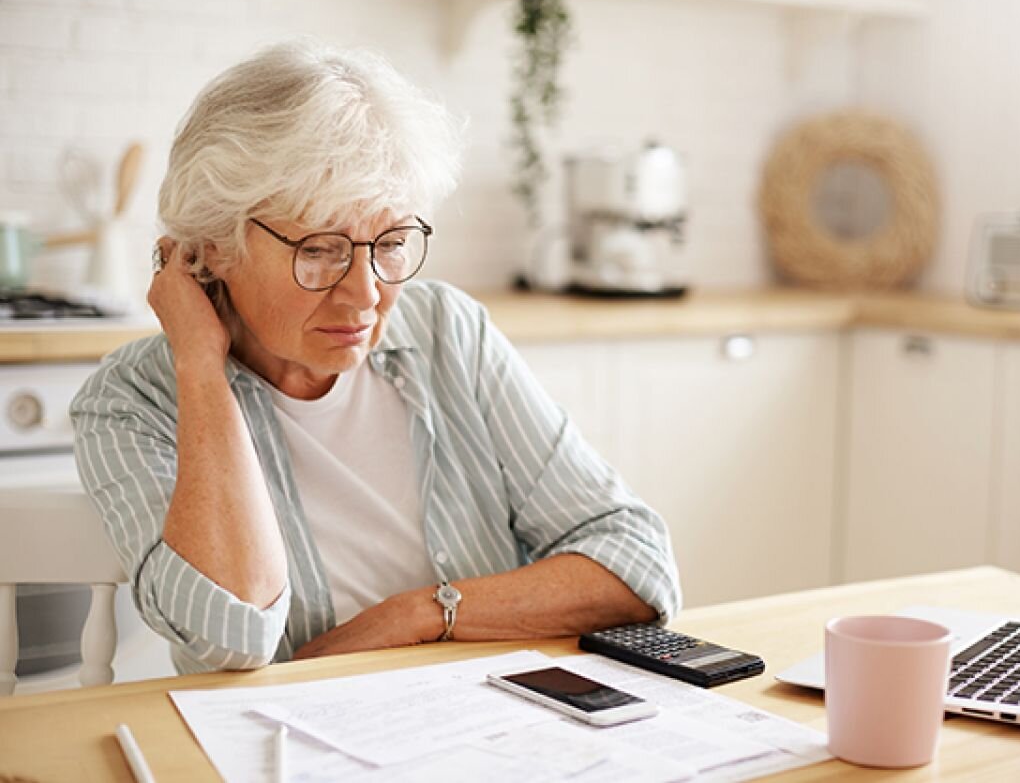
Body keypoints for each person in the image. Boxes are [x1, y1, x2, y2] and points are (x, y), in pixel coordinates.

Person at [70, 39, 681, 675]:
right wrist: (199, 365)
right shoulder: (130, 400)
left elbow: (636, 566)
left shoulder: (446, 330)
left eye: (390, 242)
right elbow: (232, 636)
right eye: (320, 249)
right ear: (213, 246)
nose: (367, 294)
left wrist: (415, 616)